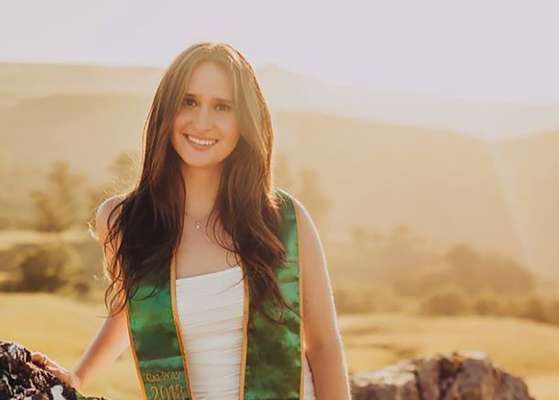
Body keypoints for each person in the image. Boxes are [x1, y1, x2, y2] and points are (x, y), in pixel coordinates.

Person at [31, 42, 351, 400]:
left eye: (222, 107)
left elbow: (324, 346)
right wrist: (78, 376)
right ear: (166, 110)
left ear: (244, 120)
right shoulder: (124, 221)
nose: (202, 122)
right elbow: (130, 311)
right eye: (189, 101)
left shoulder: (284, 221)